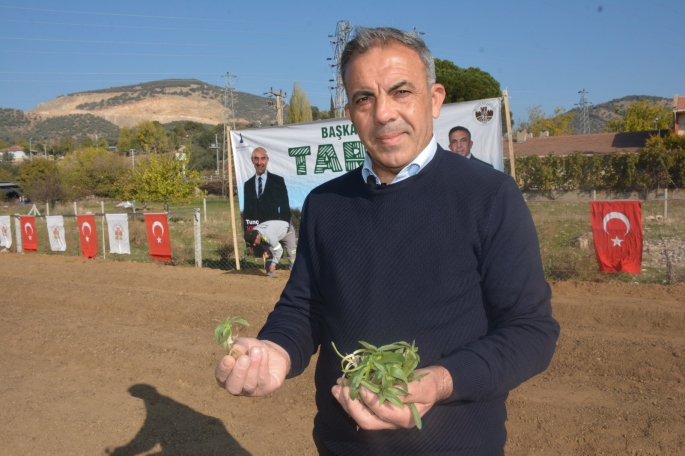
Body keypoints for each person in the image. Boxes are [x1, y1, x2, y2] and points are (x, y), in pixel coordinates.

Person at [216, 26, 559, 455]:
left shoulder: (488, 196)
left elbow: (531, 331)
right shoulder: (327, 204)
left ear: (434, 100)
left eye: (401, 92)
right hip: (344, 445)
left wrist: (440, 381)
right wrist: (276, 352)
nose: (383, 113)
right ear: (351, 111)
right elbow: (305, 307)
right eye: (365, 98)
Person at [242, 147, 292, 231]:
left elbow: (285, 208)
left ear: (267, 160)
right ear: (252, 160)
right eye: (256, 159)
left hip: (275, 229)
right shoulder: (248, 184)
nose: (259, 162)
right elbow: (247, 212)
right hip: (256, 231)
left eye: (263, 159)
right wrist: (249, 234)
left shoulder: (278, 181)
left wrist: (283, 228)